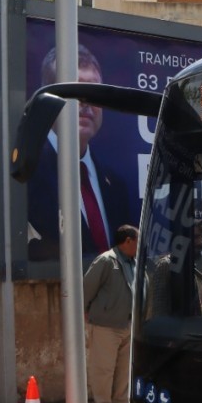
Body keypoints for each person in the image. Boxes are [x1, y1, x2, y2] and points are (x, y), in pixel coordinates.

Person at [27, 44, 134, 263]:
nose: (85, 102)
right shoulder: (26, 175)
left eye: (94, 91)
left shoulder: (116, 185)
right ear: (47, 100)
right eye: (75, 91)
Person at [83, 224, 138, 403]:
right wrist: (85, 311)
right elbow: (87, 288)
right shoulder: (106, 260)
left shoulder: (134, 262)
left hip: (128, 323)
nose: (139, 246)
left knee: (124, 368)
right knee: (103, 367)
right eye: (137, 241)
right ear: (128, 241)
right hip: (106, 324)